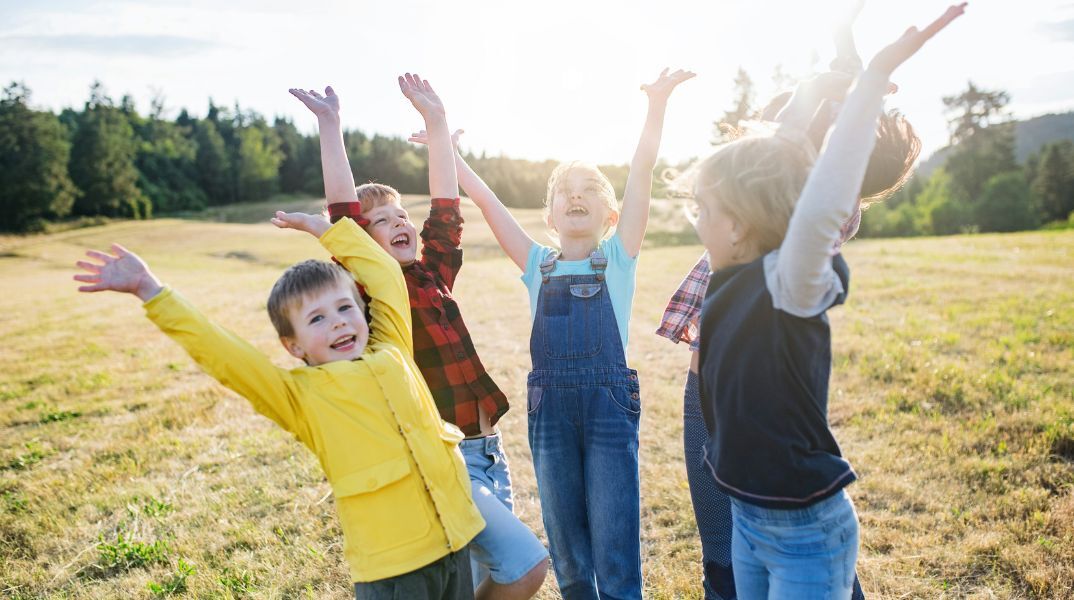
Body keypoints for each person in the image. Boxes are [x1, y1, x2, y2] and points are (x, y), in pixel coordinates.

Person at [684, 5, 966, 598]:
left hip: (804, 531)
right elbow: (782, 147)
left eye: (702, 209)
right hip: (747, 517)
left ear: (738, 225)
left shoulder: (792, 279)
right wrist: (843, 48)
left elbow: (827, 185)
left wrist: (871, 82)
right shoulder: (734, 267)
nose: (694, 220)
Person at [73, 214, 484, 599]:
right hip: (397, 568)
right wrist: (151, 290)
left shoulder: (393, 347)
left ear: (362, 310)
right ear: (294, 346)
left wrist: (324, 228)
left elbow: (385, 275)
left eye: (344, 308)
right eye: (316, 319)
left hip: (455, 539)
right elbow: (226, 356)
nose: (339, 322)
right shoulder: (299, 395)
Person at [409, 68, 693, 598]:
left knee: (614, 534)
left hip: (608, 408)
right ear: (551, 215)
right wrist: (446, 144)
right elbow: (487, 202)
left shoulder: (619, 257)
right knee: (566, 540)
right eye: (566, 192)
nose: (576, 196)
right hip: (551, 414)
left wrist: (656, 105)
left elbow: (642, 172)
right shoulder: (537, 263)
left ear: (611, 215)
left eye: (589, 190)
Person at [289, 73, 548, 599]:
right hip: (445, 457)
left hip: (489, 450)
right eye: (382, 221)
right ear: (365, 242)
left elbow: (447, 210)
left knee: (483, 580)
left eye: (402, 213)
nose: (400, 222)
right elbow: (343, 214)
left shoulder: (434, 273)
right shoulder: (375, 297)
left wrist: (437, 123)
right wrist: (331, 126)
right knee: (520, 568)